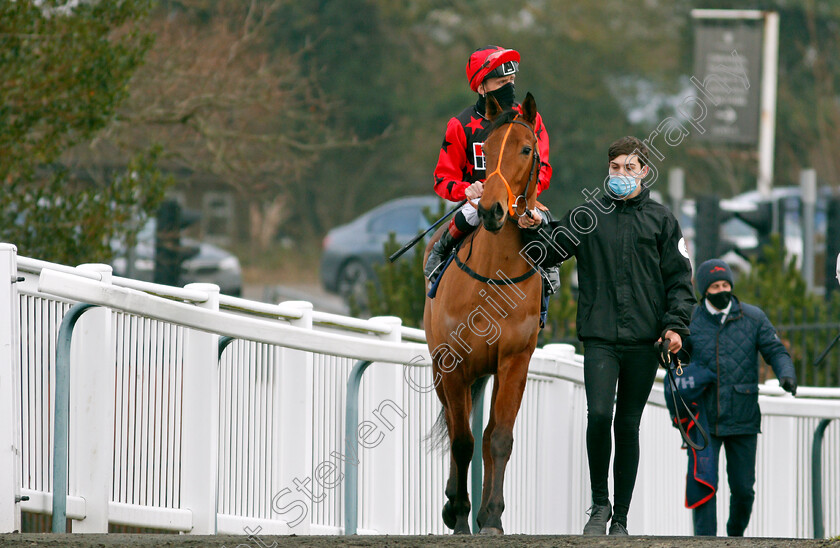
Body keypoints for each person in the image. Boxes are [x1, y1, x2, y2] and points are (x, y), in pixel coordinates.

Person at [520, 136, 696, 535]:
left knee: (627, 425)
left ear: (644, 171)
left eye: (629, 167)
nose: (620, 174)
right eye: (615, 167)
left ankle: (621, 517)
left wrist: (675, 326)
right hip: (599, 336)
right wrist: (529, 226)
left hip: (644, 341)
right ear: (608, 170)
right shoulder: (588, 214)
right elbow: (548, 251)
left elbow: (680, 282)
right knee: (599, 416)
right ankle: (599, 505)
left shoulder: (663, 220)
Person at [679, 258, 797, 537]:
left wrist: (786, 373)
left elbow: (775, 350)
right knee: (704, 486)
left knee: (744, 490)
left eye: (726, 284)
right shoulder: (691, 318)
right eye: (716, 285)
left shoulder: (754, 317)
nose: (722, 290)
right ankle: (705, 543)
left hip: (743, 417)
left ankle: (735, 537)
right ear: (705, 289)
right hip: (702, 418)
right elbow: (678, 360)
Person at [424, 45, 553, 284]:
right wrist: (466, 189)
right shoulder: (460, 125)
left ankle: (549, 268)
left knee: (544, 220)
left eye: (512, 79)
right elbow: (442, 179)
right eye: (501, 82)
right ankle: (439, 253)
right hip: (479, 200)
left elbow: (543, 167)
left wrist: (524, 193)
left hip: (519, 197)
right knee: (471, 212)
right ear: (482, 87)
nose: (509, 87)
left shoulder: (529, 119)